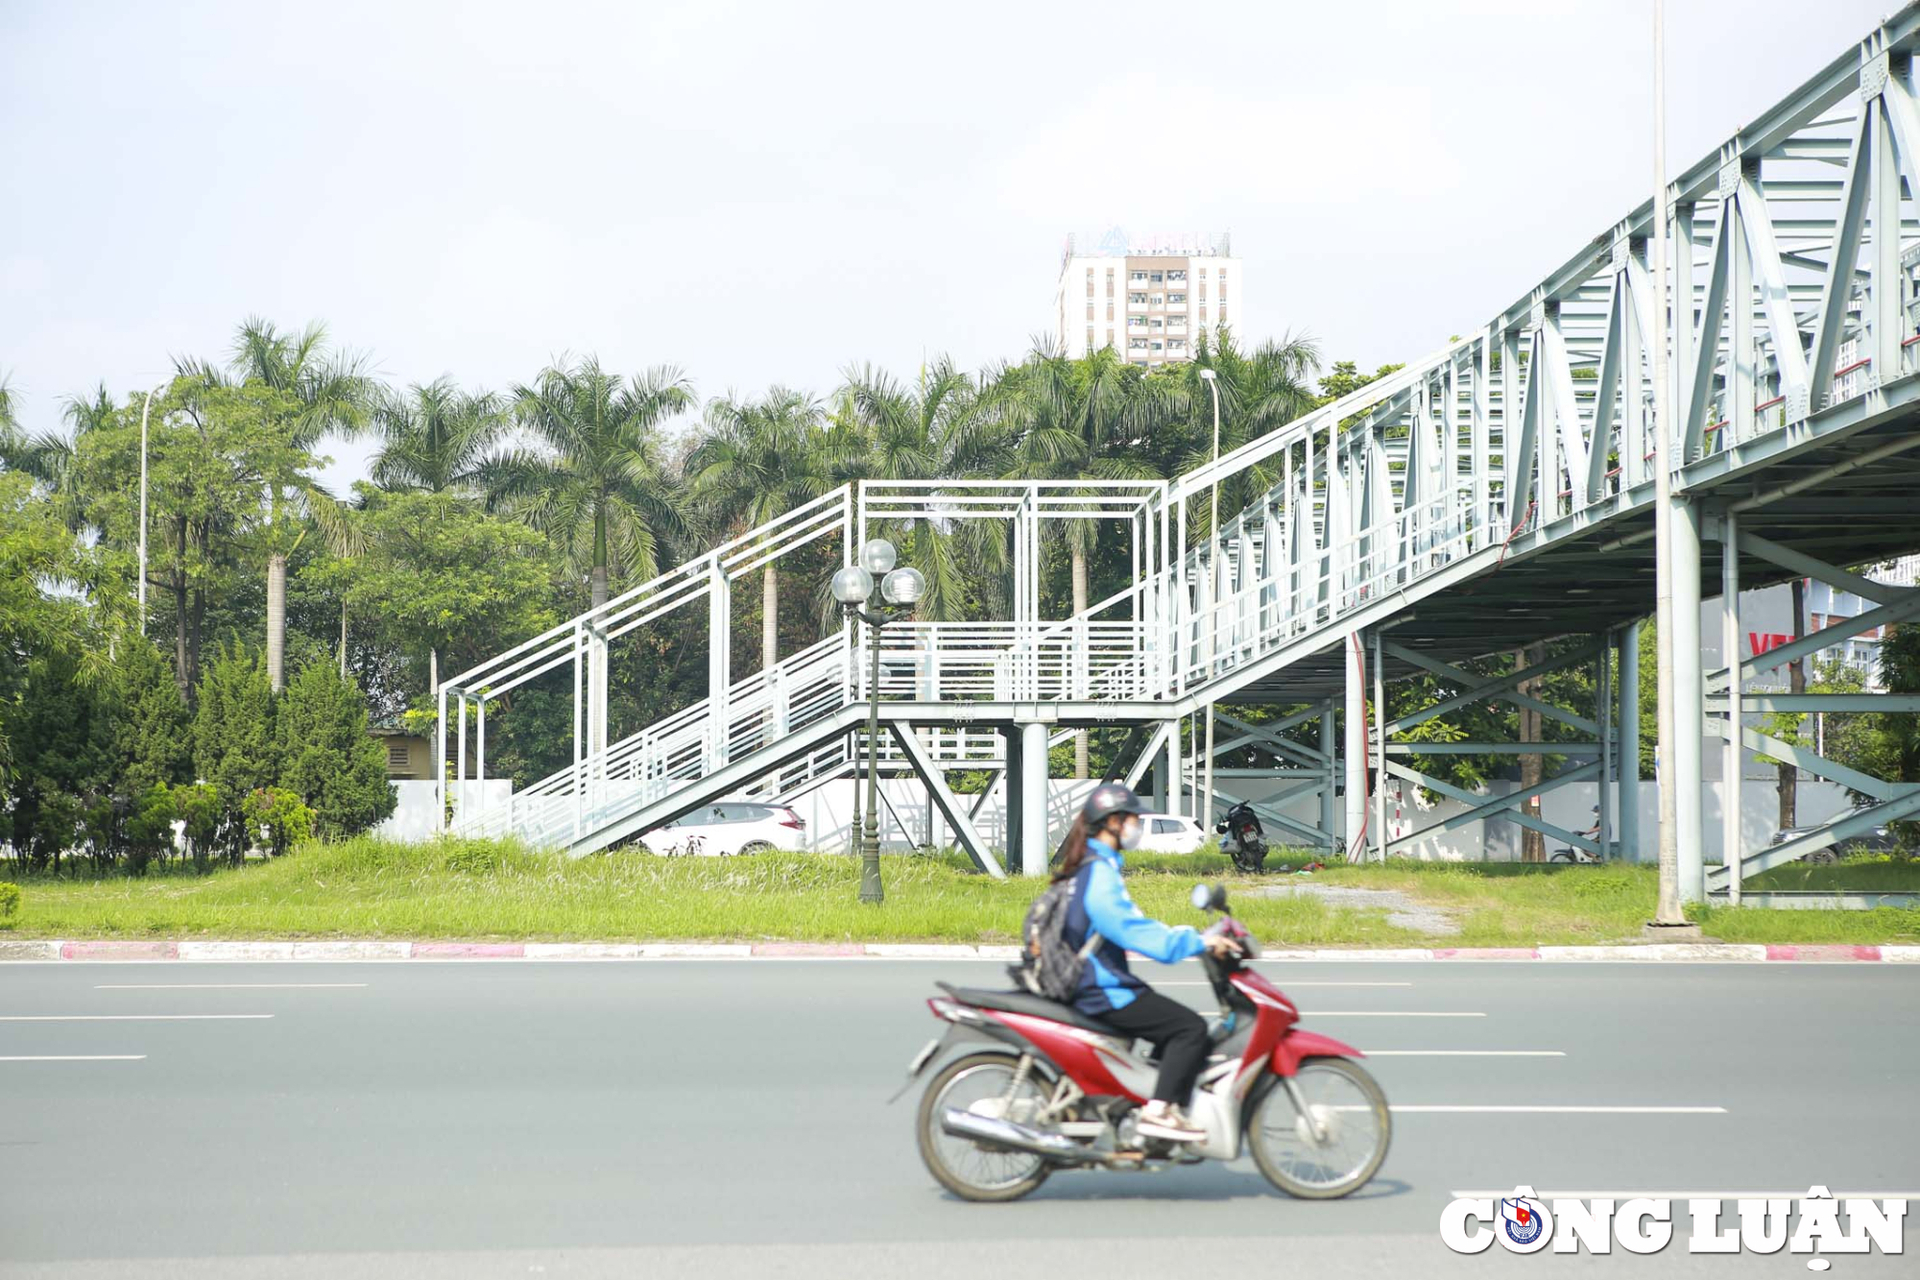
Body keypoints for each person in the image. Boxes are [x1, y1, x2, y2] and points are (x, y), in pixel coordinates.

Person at [1053, 782, 1240, 1143]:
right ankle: (1158, 1112)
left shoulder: (1093, 865)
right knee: (1188, 1029)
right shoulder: (1098, 873)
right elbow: (1129, 929)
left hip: (1093, 981)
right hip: (1099, 988)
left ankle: (1142, 1105)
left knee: (1162, 1026)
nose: (1136, 827)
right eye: (1132, 820)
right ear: (1112, 823)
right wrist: (1195, 941)